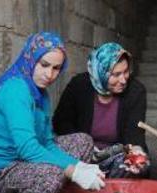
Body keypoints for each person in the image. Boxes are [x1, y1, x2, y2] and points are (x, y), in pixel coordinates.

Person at [0, 32, 105, 193]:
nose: (49, 74)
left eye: (56, 68)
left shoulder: (40, 94)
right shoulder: (16, 90)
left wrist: (79, 166)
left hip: (22, 163)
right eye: (44, 65)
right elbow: (28, 148)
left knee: (82, 141)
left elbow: (47, 144)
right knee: (50, 175)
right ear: (30, 59)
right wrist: (73, 172)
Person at [53, 42, 150, 178]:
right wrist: (84, 148)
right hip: (83, 153)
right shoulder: (79, 85)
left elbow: (134, 135)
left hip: (117, 154)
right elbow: (61, 123)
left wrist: (137, 152)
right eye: (116, 74)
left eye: (126, 72)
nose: (123, 80)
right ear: (100, 72)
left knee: (135, 168)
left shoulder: (135, 91)